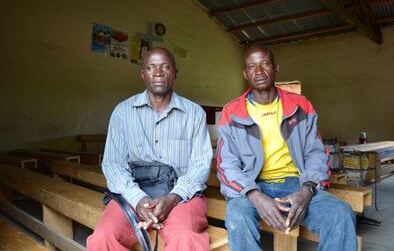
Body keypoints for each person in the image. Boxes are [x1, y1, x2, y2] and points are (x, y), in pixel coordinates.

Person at [216, 45, 357, 251]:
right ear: (245, 74)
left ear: (276, 68)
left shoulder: (300, 106)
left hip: (296, 184)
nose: (259, 71)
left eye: (265, 64)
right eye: (252, 66)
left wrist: (307, 190)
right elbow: (226, 164)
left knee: (340, 213)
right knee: (237, 216)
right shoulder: (232, 112)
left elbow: (316, 153)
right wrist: (255, 194)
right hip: (252, 186)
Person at [87, 47, 212, 251]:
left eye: (165, 67)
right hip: (134, 190)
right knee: (103, 238)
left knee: (185, 238)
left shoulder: (194, 113)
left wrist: (173, 197)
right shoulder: (122, 112)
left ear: (175, 73)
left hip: (181, 194)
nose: (158, 73)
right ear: (142, 74)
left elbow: (200, 165)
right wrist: (138, 199)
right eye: (151, 67)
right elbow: (113, 164)